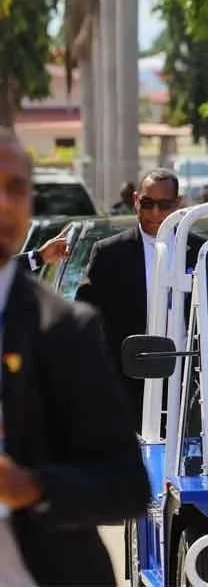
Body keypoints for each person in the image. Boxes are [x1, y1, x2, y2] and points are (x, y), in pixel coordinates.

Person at [0, 128, 150, 585]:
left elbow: (126, 487)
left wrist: (32, 487)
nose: (5, 203)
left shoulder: (63, 330)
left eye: (16, 188)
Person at [75, 168, 208, 425]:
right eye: (147, 204)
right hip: (128, 382)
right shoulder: (109, 253)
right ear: (136, 200)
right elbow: (85, 316)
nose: (155, 214)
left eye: (164, 205)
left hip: (189, 382)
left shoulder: (202, 251)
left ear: (178, 204)